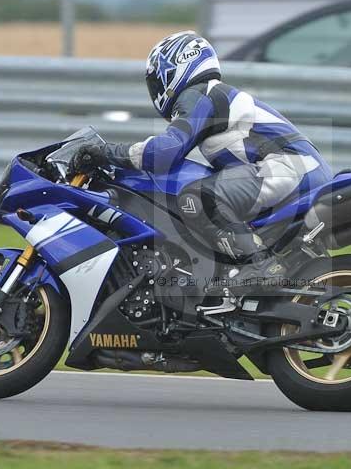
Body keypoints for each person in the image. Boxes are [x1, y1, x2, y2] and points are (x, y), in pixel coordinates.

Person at [71, 30, 332, 289]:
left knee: (198, 198)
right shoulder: (213, 95)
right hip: (296, 168)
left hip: (289, 167)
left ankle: (259, 265)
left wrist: (107, 153)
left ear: (174, 67)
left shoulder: (199, 95)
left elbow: (166, 151)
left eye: (155, 81)